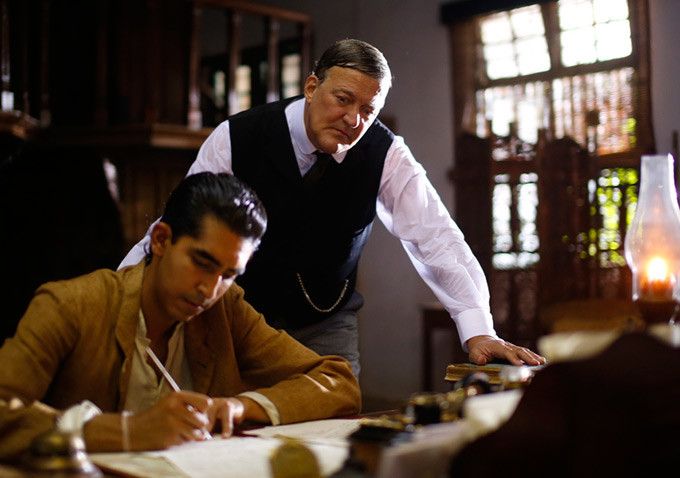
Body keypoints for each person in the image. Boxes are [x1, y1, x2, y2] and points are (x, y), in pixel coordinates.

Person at [120, 38, 545, 377]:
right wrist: (120, 299)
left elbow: (435, 236)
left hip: (326, 325)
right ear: (311, 87)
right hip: (235, 320)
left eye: (368, 110)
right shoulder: (237, 137)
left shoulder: (385, 153)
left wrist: (478, 330)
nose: (353, 119)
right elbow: (178, 224)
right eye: (343, 99)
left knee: (334, 431)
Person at [0, 172, 360, 460]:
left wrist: (241, 407)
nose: (209, 289)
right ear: (160, 240)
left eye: (229, 274)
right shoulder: (72, 304)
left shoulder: (225, 309)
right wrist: (127, 431)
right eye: (202, 262)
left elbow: (337, 380)